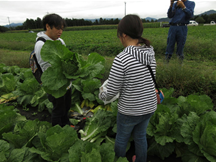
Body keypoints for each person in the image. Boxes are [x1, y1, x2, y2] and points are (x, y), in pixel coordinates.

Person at [99, 14, 157, 162]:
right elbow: (151, 78)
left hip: (130, 110)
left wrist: (102, 94)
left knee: (122, 138)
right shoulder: (150, 53)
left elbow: (111, 91)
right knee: (140, 136)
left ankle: (120, 159)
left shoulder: (122, 59)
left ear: (124, 35)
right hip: (149, 106)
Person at [34, 13, 72, 127]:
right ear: (48, 26)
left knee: (67, 105)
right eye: (57, 28)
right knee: (58, 108)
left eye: (62, 28)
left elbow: (67, 58)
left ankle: (66, 123)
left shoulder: (60, 41)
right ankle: (57, 129)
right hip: (54, 83)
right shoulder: (41, 44)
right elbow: (47, 68)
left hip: (66, 82)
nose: (60, 31)